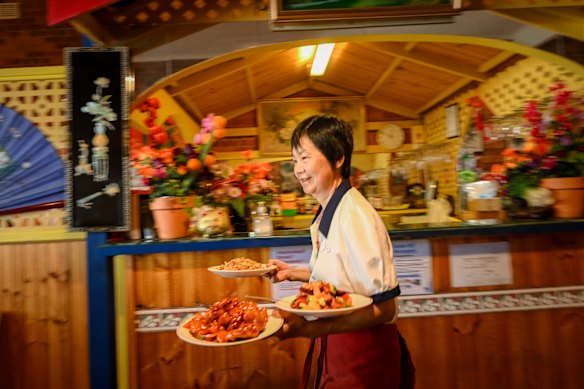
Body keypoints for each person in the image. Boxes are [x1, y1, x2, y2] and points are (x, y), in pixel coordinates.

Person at [267, 115, 415, 389]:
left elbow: (384, 308)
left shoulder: (355, 215)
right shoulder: (330, 208)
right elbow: (344, 273)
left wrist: (309, 329)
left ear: (338, 158)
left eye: (305, 158)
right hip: (339, 345)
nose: (298, 169)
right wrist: (294, 273)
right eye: (294, 160)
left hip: (363, 353)